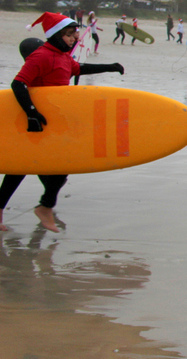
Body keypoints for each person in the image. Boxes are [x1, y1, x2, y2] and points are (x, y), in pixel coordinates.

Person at [1, 13, 125, 232]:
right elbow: (18, 84)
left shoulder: (63, 56)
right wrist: (32, 113)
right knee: (27, 168)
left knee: (39, 168)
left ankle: (45, 205)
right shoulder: (41, 56)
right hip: (36, 123)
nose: (74, 38)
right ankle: (45, 206)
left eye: (74, 34)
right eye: (69, 35)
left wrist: (110, 66)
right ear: (56, 36)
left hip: (54, 122)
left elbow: (79, 68)